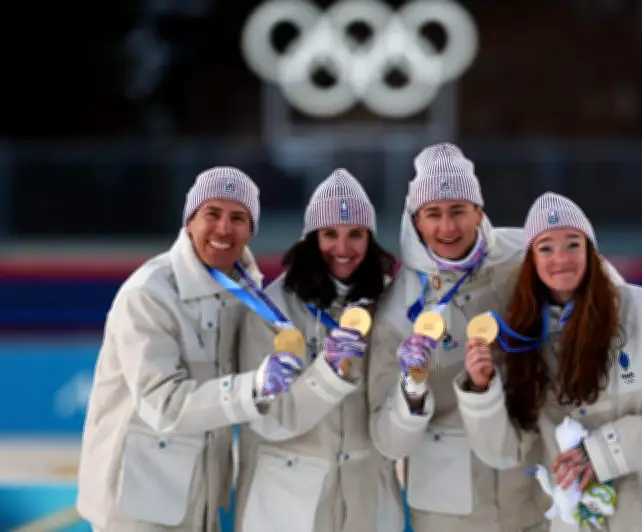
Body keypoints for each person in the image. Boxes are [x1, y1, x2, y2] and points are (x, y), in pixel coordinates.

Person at [455, 192, 642, 532]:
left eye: (572, 244)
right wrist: (481, 388)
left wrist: (603, 452)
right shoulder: (521, 340)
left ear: (591, 251)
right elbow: (504, 452)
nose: (560, 258)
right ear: (531, 261)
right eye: (545, 247)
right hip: (588, 520)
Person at [77, 167, 287, 531]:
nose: (223, 228)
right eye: (212, 214)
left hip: (198, 500)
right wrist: (254, 387)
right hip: (136, 506)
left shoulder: (248, 295)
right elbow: (164, 404)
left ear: (251, 231)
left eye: (238, 218)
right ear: (189, 221)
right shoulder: (148, 293)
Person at [367, 143, 557, 532]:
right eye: (433, 214)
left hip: (534, 495)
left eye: (458, 211)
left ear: (479, 212)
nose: (448, 227)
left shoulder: (524, 257)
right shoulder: (396, 309)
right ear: (416, 220)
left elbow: (594, 283)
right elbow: (387, 443)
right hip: (447, 515)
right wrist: (412, 388)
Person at [235, 169, 403, 532]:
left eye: (355, 234)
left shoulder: (392, 301)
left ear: (370, 239)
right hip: (290, 505)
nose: (342, 249)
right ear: (311, 239)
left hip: (367, 499)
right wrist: (328, 370)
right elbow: (265, 419)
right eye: (330, 234)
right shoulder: (271, 309)